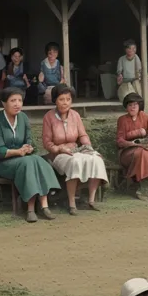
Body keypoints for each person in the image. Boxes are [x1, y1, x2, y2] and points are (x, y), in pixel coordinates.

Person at [0, 87, 60, 223]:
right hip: (3, 163)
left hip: (24, 159)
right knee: (28, 162)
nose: (17, 104)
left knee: (37, 159)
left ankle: (44, 206)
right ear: (4, 103)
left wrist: (28, 147)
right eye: (13, 100)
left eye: (19, 100)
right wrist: (17, 152)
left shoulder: (23, 117)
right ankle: (30, 209)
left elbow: (29, 140)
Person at [42, 84, 108, 215]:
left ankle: (91, 200)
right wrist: (59, 148)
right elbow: (47, 143)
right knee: (75, 162)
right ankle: (72, 203)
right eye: (61, 99)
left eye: (68, 99)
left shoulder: (75, 115)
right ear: (55, 100)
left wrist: (88, 147)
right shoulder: (48, 117)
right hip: (58, 154)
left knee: (96, 159)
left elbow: (83, 135)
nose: (65, 103)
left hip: (76, 150)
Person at [116, 93, 148, 199]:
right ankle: (136, 187)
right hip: (127, 151)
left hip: (144, 147)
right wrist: (135, 144)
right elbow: (120, 141)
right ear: (126, 107)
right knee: (142, 154)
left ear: (139, 106)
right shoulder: (122, 120)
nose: (133, 107)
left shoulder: (145, 116)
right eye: (130, 105)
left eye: (135, 104)